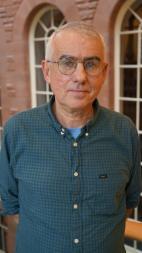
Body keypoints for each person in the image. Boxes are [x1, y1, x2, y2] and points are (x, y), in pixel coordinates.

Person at [0, 22, 141, 253]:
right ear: (46, 71)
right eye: (67, 63)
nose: (80, 76)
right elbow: (13, 206)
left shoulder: (125, 131)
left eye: (91, 64)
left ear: (104, 72)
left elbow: (128, 202)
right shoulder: (17, 131)